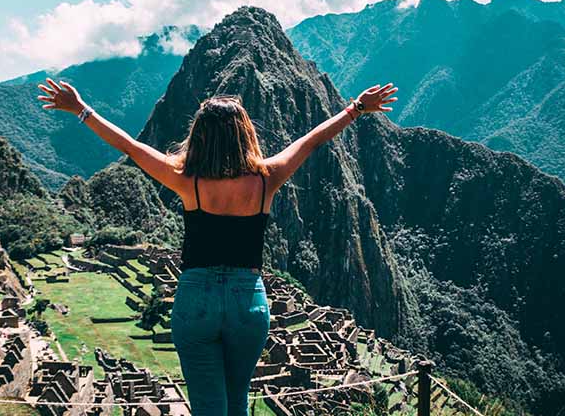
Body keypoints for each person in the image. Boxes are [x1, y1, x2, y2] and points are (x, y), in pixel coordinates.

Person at [36, 78, 398, 416]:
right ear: (246, 134)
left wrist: (81, 109)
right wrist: (356, 109)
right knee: (236, 401)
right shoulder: (266, 178)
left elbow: (130, 146)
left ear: (200, 136)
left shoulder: (185, 179)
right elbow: (311, 141)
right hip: (247, 301)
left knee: (209, 406)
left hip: (196, 300)